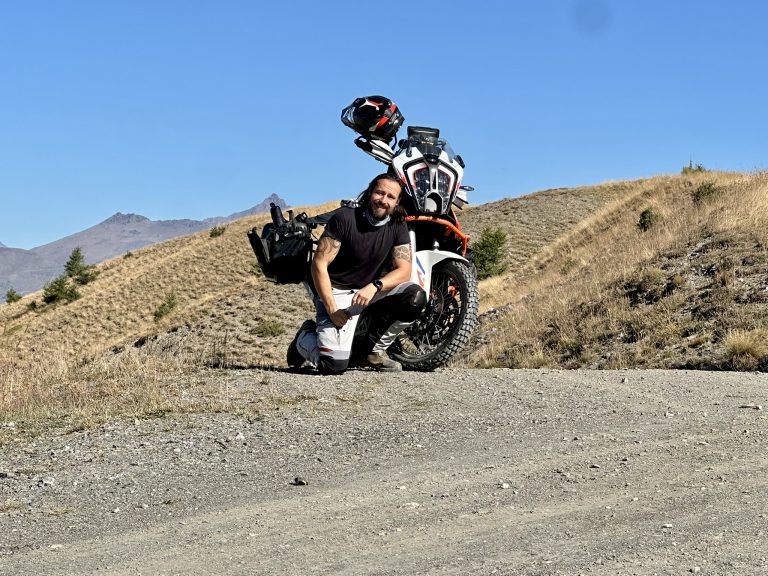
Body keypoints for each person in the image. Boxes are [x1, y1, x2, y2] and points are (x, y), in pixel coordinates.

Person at [287, 172, 426, 373]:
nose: (383, 200)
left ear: (397, 202)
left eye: (390, 197)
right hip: (335, 293)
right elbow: (319, 264)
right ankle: (305, 337)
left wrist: (375, 286)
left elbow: (404, 271)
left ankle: (369, 353)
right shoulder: (344, 218)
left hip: (368, 292)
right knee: (333, 365)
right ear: (370, 192)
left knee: (415, 297)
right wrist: (332, 310)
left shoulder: (397, 225)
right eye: (380, 193)